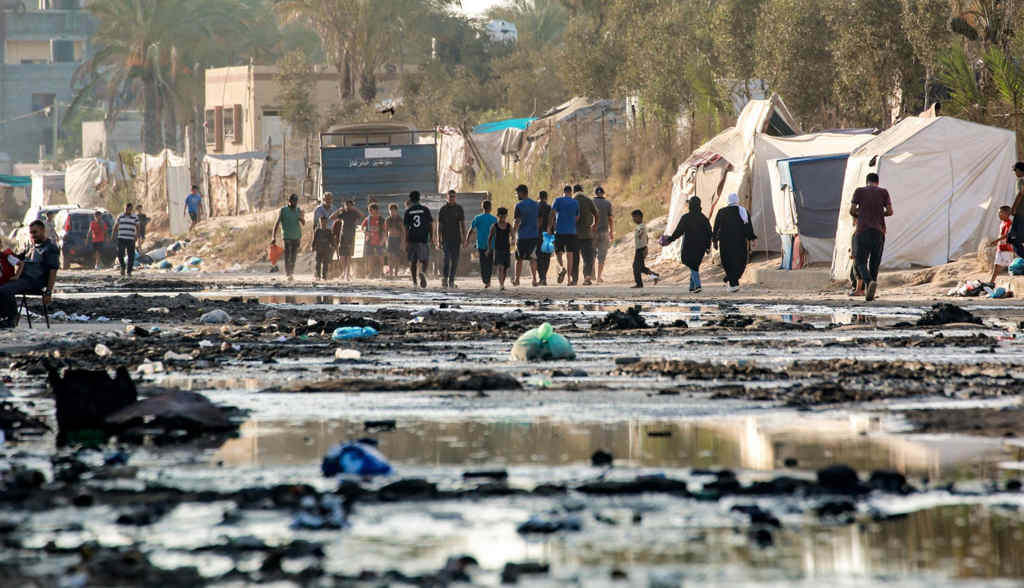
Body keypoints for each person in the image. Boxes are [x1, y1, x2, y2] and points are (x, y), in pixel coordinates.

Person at [0, 220, 58, 328]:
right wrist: (5, 253)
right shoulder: (31, 246)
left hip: (35, 281)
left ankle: (12, 319)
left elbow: (53, 271)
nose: (33, 235)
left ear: (43, 230)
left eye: (35, 232)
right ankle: (4, 316)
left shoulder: (50, 248)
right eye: (31, 233)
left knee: (4, 290)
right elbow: (17, 258)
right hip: (23, 280)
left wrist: (48, 292)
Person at [850, 173, 893, 302]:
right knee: (875, 263)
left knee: (860, 261)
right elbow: (890, 211)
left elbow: (852, 210)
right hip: (878, 232)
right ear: (877, 182)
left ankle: (869, 283)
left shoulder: (859, 191)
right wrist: (879, 213)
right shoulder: (884, 192)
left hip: (863, 231)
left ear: (866, 181)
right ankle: (871, 293)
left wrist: (861, 214)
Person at [662, 196, 712, 293]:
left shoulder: (686, 218)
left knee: (689, 263)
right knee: (695, 264)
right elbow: (709, 233)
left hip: (688, 246)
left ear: (690, 206)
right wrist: (707, 246)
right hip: (701, 247)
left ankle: (697, 285)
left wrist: (671, 239)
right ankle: (691, 287)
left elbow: (678, 231)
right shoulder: (704, 218)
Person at [713, 193, 757, 293]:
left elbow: (715, 228)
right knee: (740, 262)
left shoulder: (722, 212)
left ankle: (730, 279)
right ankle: (733, 284)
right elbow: (748, 227)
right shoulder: (743, 212)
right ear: (737, 200)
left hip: (725, 243)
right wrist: (752, 238)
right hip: (739, 242)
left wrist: (714, 240)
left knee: (728, 263)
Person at [549, 185, 579, 285]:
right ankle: (569, 280)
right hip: (571, 232)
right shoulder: (575, 202)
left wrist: (550, 227)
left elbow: (552, 214)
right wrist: (571, 222)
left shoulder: (557, 200)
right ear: (571, 192)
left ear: (564, 192)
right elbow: (577, 217)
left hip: (560, 232)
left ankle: (562, 268)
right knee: (570, 255)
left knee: (558, 253)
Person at [271, 193, 305, 281]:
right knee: (287, 255)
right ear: (289, 201)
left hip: (297, 236)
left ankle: (291, 272)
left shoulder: (298, 210)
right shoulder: (283, 210)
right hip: (287, 236)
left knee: (293, 256)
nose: (294, 203)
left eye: (296, 201)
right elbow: (277, 223)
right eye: (293, 201)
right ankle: (288, 273)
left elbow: (303, 223)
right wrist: (273, 237)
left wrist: (301, 217)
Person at [404, 190, 434, 288]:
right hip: (423, 238)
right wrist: (432, 237)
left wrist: (406, 241)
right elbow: (431, 224)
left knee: (413, 261)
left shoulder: (408, 211)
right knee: (425, 259)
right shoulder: (425, 209)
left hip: (412, 238)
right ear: (419, 198)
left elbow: (406, 228)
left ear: (410, 199)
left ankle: (414, 282)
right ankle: (422, 272)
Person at [512, 184, 540, 287]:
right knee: (533, 258)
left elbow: (517, 221)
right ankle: (534, 280)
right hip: (534, 235)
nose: (517, 195)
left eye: (517, 193)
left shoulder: (519, 205)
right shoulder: (535, 204)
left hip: (522, 236)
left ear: (521, 193)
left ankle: (517, 280)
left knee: (519, 258)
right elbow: (538, 220)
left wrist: (513, 235)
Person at [437, 190, 465, 288]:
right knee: (446, 259)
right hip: (446, 239)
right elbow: (439, 225)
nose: (452, 198)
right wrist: (438, 239)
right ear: (447, 197)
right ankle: (445, 279)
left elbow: (462, 224)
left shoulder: (459, 208)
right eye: (450, 196)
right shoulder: (443, 209)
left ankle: (451, 280)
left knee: (455, 261)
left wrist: (464, 238)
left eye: (453, 196)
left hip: (456, 239)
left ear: (455, 197)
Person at [466, 200, 497, 288]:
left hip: (481, 244)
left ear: (482, 207)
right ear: (490, 208)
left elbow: (471, 230)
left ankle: (485, 280)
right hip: (491, 244)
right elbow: (497, 232)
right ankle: (488, 280)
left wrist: (467, 240)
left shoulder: (477, 218)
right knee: (489, 262)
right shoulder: (494, 219)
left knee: (483, 262)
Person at [572, 184, 598, 286]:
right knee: (588, 257)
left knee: (575, 258)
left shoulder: (572, 201)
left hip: (574, 234)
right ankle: (587, 277)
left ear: (574, 191)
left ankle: (574, 279)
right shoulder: (588, 200)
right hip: (587, 233)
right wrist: (595, 225)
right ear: (582, 191)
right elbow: (596, 213)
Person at [332, 200, 364, 281]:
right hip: (343, 236)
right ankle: (344, 272)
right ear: (344, 205)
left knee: (348, 256)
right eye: (347, 205)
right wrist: (338, 210)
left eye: (350, 205)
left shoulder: (354, 213)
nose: (348, 207)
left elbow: (362, 215)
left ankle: (347, 274)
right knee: (342, 256)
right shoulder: (343, 213)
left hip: (351, 236)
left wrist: (355, 209)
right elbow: (331, 217)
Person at [629, 210, 660, 288]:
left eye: (634, 217)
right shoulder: (639, 226)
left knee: (636, 267)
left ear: (639, 217)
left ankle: (639, 284)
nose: (633, 219)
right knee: (641, 267)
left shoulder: (641, 226)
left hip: (641, 249)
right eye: (633, 217)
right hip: (640, 248)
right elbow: (646, 237)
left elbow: (642, 234)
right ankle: (654, 276)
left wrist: (644, 248)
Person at [112, 202, 139, 278]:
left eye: (129, 209)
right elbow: (116, 226)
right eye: (126, 209)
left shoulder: (135, 217)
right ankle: (123, 267)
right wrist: (113, 235)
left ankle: (129, 271)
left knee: (131, 255)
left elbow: (137, 227)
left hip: (131, 239)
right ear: (124, 208)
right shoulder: (120, 216)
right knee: (120, 254)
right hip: (121, 238)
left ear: (131, 209)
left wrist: (136, 235)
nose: (128, 210)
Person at [488, 207, 513, 291]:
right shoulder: (494, 226)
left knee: (505, 268)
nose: (502, 218)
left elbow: (513, 236)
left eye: (504, 216)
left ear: (506, 216)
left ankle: (502, 283)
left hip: (506, 249)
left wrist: (513, 241)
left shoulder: (509, 226)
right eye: (501, 216)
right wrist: (489, 249)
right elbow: (490, 238)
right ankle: (501, 285)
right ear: (498, 216)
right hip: (498, 249)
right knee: (500, 267)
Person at [592, 186, 613, 283]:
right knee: (602, 256)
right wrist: (611, 231)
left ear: (595, 193)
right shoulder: (607, 203)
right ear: (603, 193)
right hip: (604, 232)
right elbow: (610, 219)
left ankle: (592, 274)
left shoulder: (591, 202)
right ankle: (598, 277)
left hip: (593, 232)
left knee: (592, 254)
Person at [361, 203, 387, 279]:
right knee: (370, 257)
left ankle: (382, 273)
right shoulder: (367, 219)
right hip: (370, 242)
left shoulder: (382, 219)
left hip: (380, 241)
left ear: (376, 210)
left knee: (381, 257)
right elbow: (362, 227)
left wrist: (383, 240)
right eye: (369, 210)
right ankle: (371, 273)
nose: (370, 212)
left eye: (371, 210)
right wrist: (365, 232)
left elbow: (385, 231)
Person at [990, 205, 1015, 283]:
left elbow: (1007, 235)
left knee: (1010, 268)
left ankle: (1011, 284)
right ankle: (991, 282)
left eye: (1000, 213)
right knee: (996, 265)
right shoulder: (1002, 223)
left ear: (1007, 214)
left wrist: (996, 241)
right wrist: (998, 243)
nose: (999, 215)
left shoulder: (1009, 223)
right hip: (1000, 248)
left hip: (1007, 249)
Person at [536, 190, 553, 285]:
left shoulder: (537, 206)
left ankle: (542, 277)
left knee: (539, 256)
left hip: (539, 234)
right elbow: (552, 220)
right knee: (546, 256)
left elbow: (539, 220)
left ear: (539, 197)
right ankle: (544, 277)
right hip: (549, 233)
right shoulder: (549, 207)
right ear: (546, 197)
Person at [313, 215, 334, 281]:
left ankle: (324, 276)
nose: (323, 223)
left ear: (326, 222)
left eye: (324, 222)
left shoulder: (329, 231)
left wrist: (333, 245)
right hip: (319, 249)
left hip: (326, 249)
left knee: (325, 263)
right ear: (320, 222)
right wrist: (313, 246)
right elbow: (314, 239)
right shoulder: (317, 231)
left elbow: (331, 240)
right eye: (322, 222)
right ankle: (318, 275)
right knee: (318, 263)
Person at [386, 203, 404, 279]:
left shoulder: (400, 219)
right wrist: (386, 240)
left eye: (393, 210)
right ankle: (391, 274)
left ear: (396, 211)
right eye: (391, 211)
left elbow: (403, 231)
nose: (392, 212)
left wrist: (402, 242)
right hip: (390, 239)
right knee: (390, 257)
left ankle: (396, 274)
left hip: (398, 239)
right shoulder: (388, 219)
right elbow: (386, 230)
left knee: (397, 257)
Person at [1010, 162, 1024, 258]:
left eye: (1015, 171)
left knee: (1013, 239)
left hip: (1020, 214)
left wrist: (1013, 208)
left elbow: (1020, 194)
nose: (1015, 173)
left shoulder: (1021, 181)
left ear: (1019, 170)